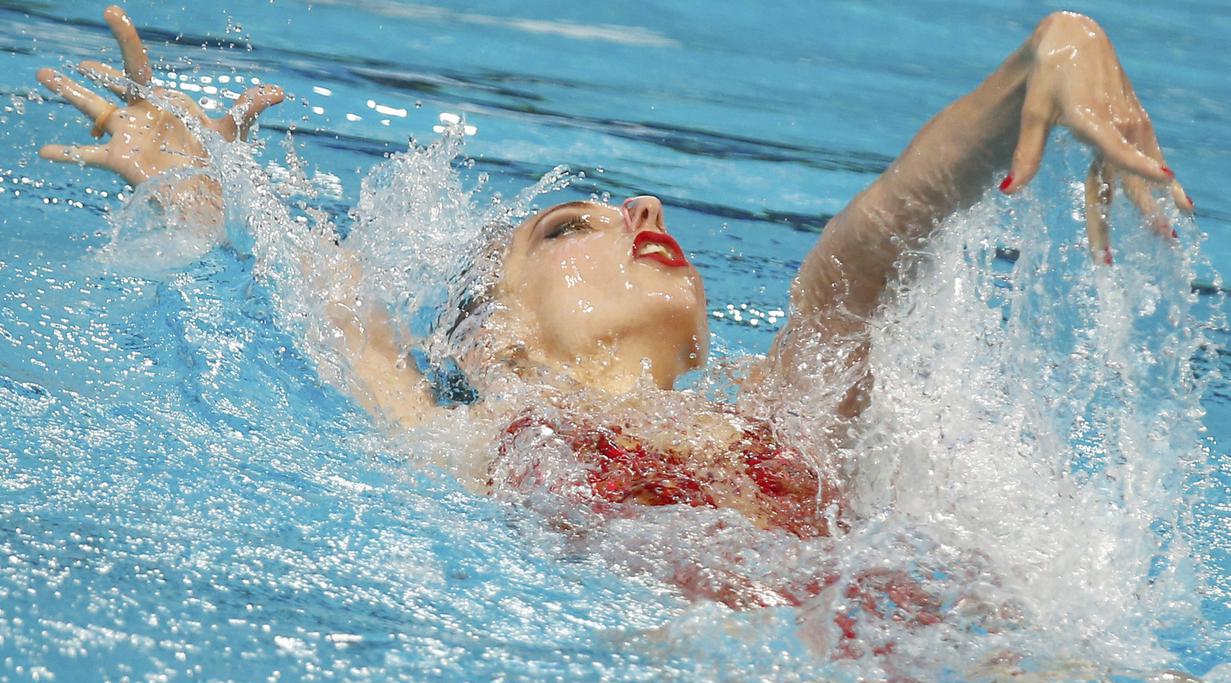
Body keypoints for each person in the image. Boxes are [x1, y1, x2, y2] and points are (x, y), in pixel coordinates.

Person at [34, 7, 1192, 617]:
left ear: (701, 338)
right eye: (564, 224)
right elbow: (325, 300)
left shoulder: (781, 419)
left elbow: (865, 253)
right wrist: (202, 188)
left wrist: (1048, 53)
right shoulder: (475, 433)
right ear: (495, 339)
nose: (640, 202)